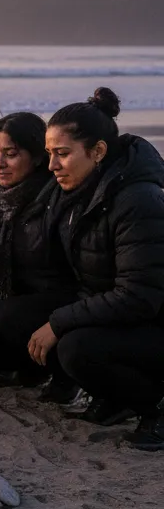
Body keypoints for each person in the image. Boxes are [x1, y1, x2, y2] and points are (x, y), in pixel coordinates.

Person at [26, 89, 164, 447]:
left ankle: (156, 408)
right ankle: (117, 399)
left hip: (152, 318)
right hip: (121, 312)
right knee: (15, 316)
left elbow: (139, 296)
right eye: (49, 154)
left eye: (62, 154)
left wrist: (59, 321)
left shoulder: (138, 199)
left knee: (75, 348)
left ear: (98, 151)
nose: (52, 165)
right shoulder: (76, 189)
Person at [0, 113, 76, 387]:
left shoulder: (54, 198)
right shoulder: (4, 199)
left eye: (10, 154)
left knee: (6, 314)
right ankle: (34, 367)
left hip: (62, 303)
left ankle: (66, 375)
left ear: (37, 157)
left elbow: (73, 277)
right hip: (24, 303)